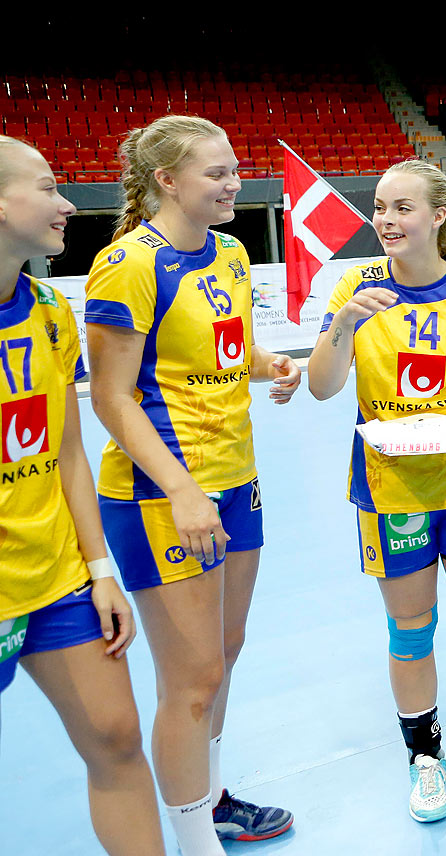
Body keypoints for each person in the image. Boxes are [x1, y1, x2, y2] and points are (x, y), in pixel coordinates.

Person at [85, 116, 301, 855]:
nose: (234, 183)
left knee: (225, 651)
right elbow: (114, 397)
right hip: (161, 496)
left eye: (234, 168)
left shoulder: (233, 252)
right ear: (167, 181)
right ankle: (193, 839)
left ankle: (208, 800)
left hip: (234, 481)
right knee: (192, 680)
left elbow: (224, 343)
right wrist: (179, 487)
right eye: (216, 172)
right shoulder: (128, 265)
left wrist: (269, 362)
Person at [306, 160, 446, 822]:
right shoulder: (358, 286)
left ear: (439, 216)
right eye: (380, 207)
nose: (385, 219)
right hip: (390, 492)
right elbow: (323, 387)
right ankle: (425, 760)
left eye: (402, 207)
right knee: (411, 632)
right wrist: (344, 321)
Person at [0, 136, 166, 856]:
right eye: (47, 186)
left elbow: (66, 451)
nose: (67, 202)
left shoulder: (46, 309)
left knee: (117, 739)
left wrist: (100, 571)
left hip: (57, 579)